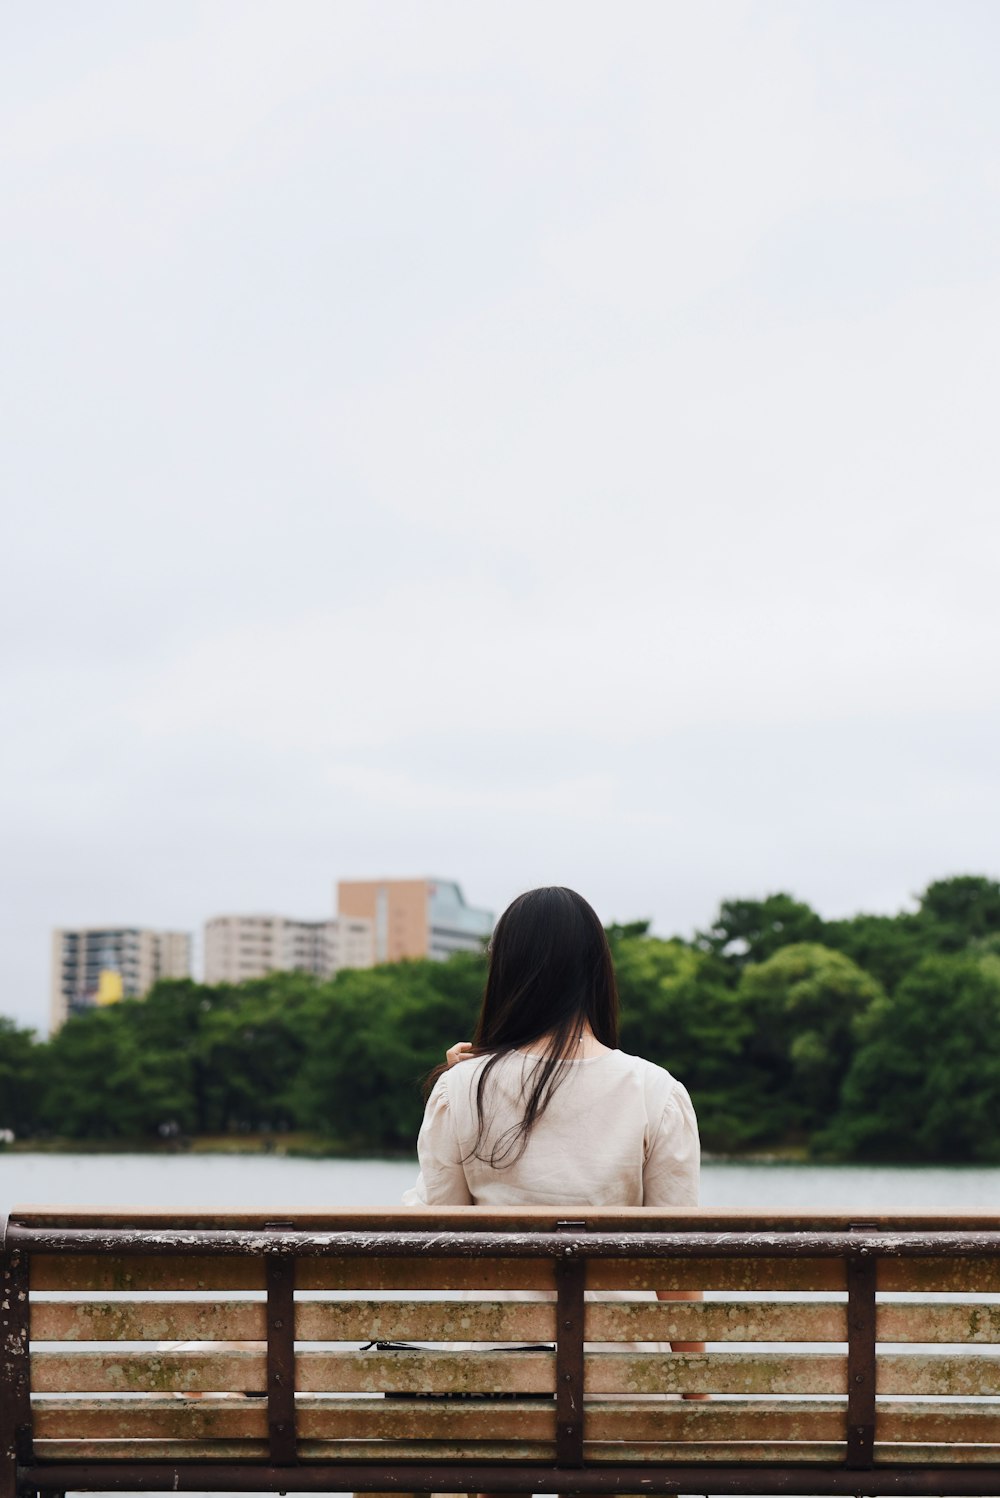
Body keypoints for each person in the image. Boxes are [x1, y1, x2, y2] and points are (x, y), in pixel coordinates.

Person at [403, 885, 706, 1424]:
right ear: (597, 971)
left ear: (505, 973)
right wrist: (696, 1397)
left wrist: (459, 1085)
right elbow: (675, 1265)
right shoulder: (656, 1091)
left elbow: (436, 1247)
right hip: (622, 1384)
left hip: (494, 1382)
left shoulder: (462, 1088)